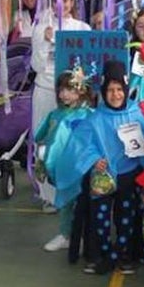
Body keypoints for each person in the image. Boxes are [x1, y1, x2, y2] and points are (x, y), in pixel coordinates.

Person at [56, 60, 144, 275]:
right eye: (110, 90)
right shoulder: (95, 117)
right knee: (99, 219)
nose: (115, 94)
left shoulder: (135, 113)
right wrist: (94, 159)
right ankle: (103, 256)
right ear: (103, 91)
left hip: (129, 175)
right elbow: (81, 144)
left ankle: (124, 256)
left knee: (126, 218)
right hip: (103, 177)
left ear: (126, 89)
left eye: (119, 89)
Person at [31, 0, 92, 209]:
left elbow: (86, 64)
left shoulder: (82, 28)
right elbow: (36, 65)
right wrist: (46, 40)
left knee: (71, 142)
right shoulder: (40, 28)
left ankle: (72, 190)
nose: (61, 5)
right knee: (47, 141)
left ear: (72, 2)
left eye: (65, 0)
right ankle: (47, 194)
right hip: (46, 90)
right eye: (55, 0)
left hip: (73, 97)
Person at [37, 68, 94, 254]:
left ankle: (83, 236)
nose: (64, 94)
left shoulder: (88, 115)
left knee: (83, 202)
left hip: (81, 167)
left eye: (70, 89)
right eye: (61, 90)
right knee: (66, 202)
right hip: (60, 167)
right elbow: (40, 135)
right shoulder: (55, 115)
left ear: (81, 91)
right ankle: (65, 234)